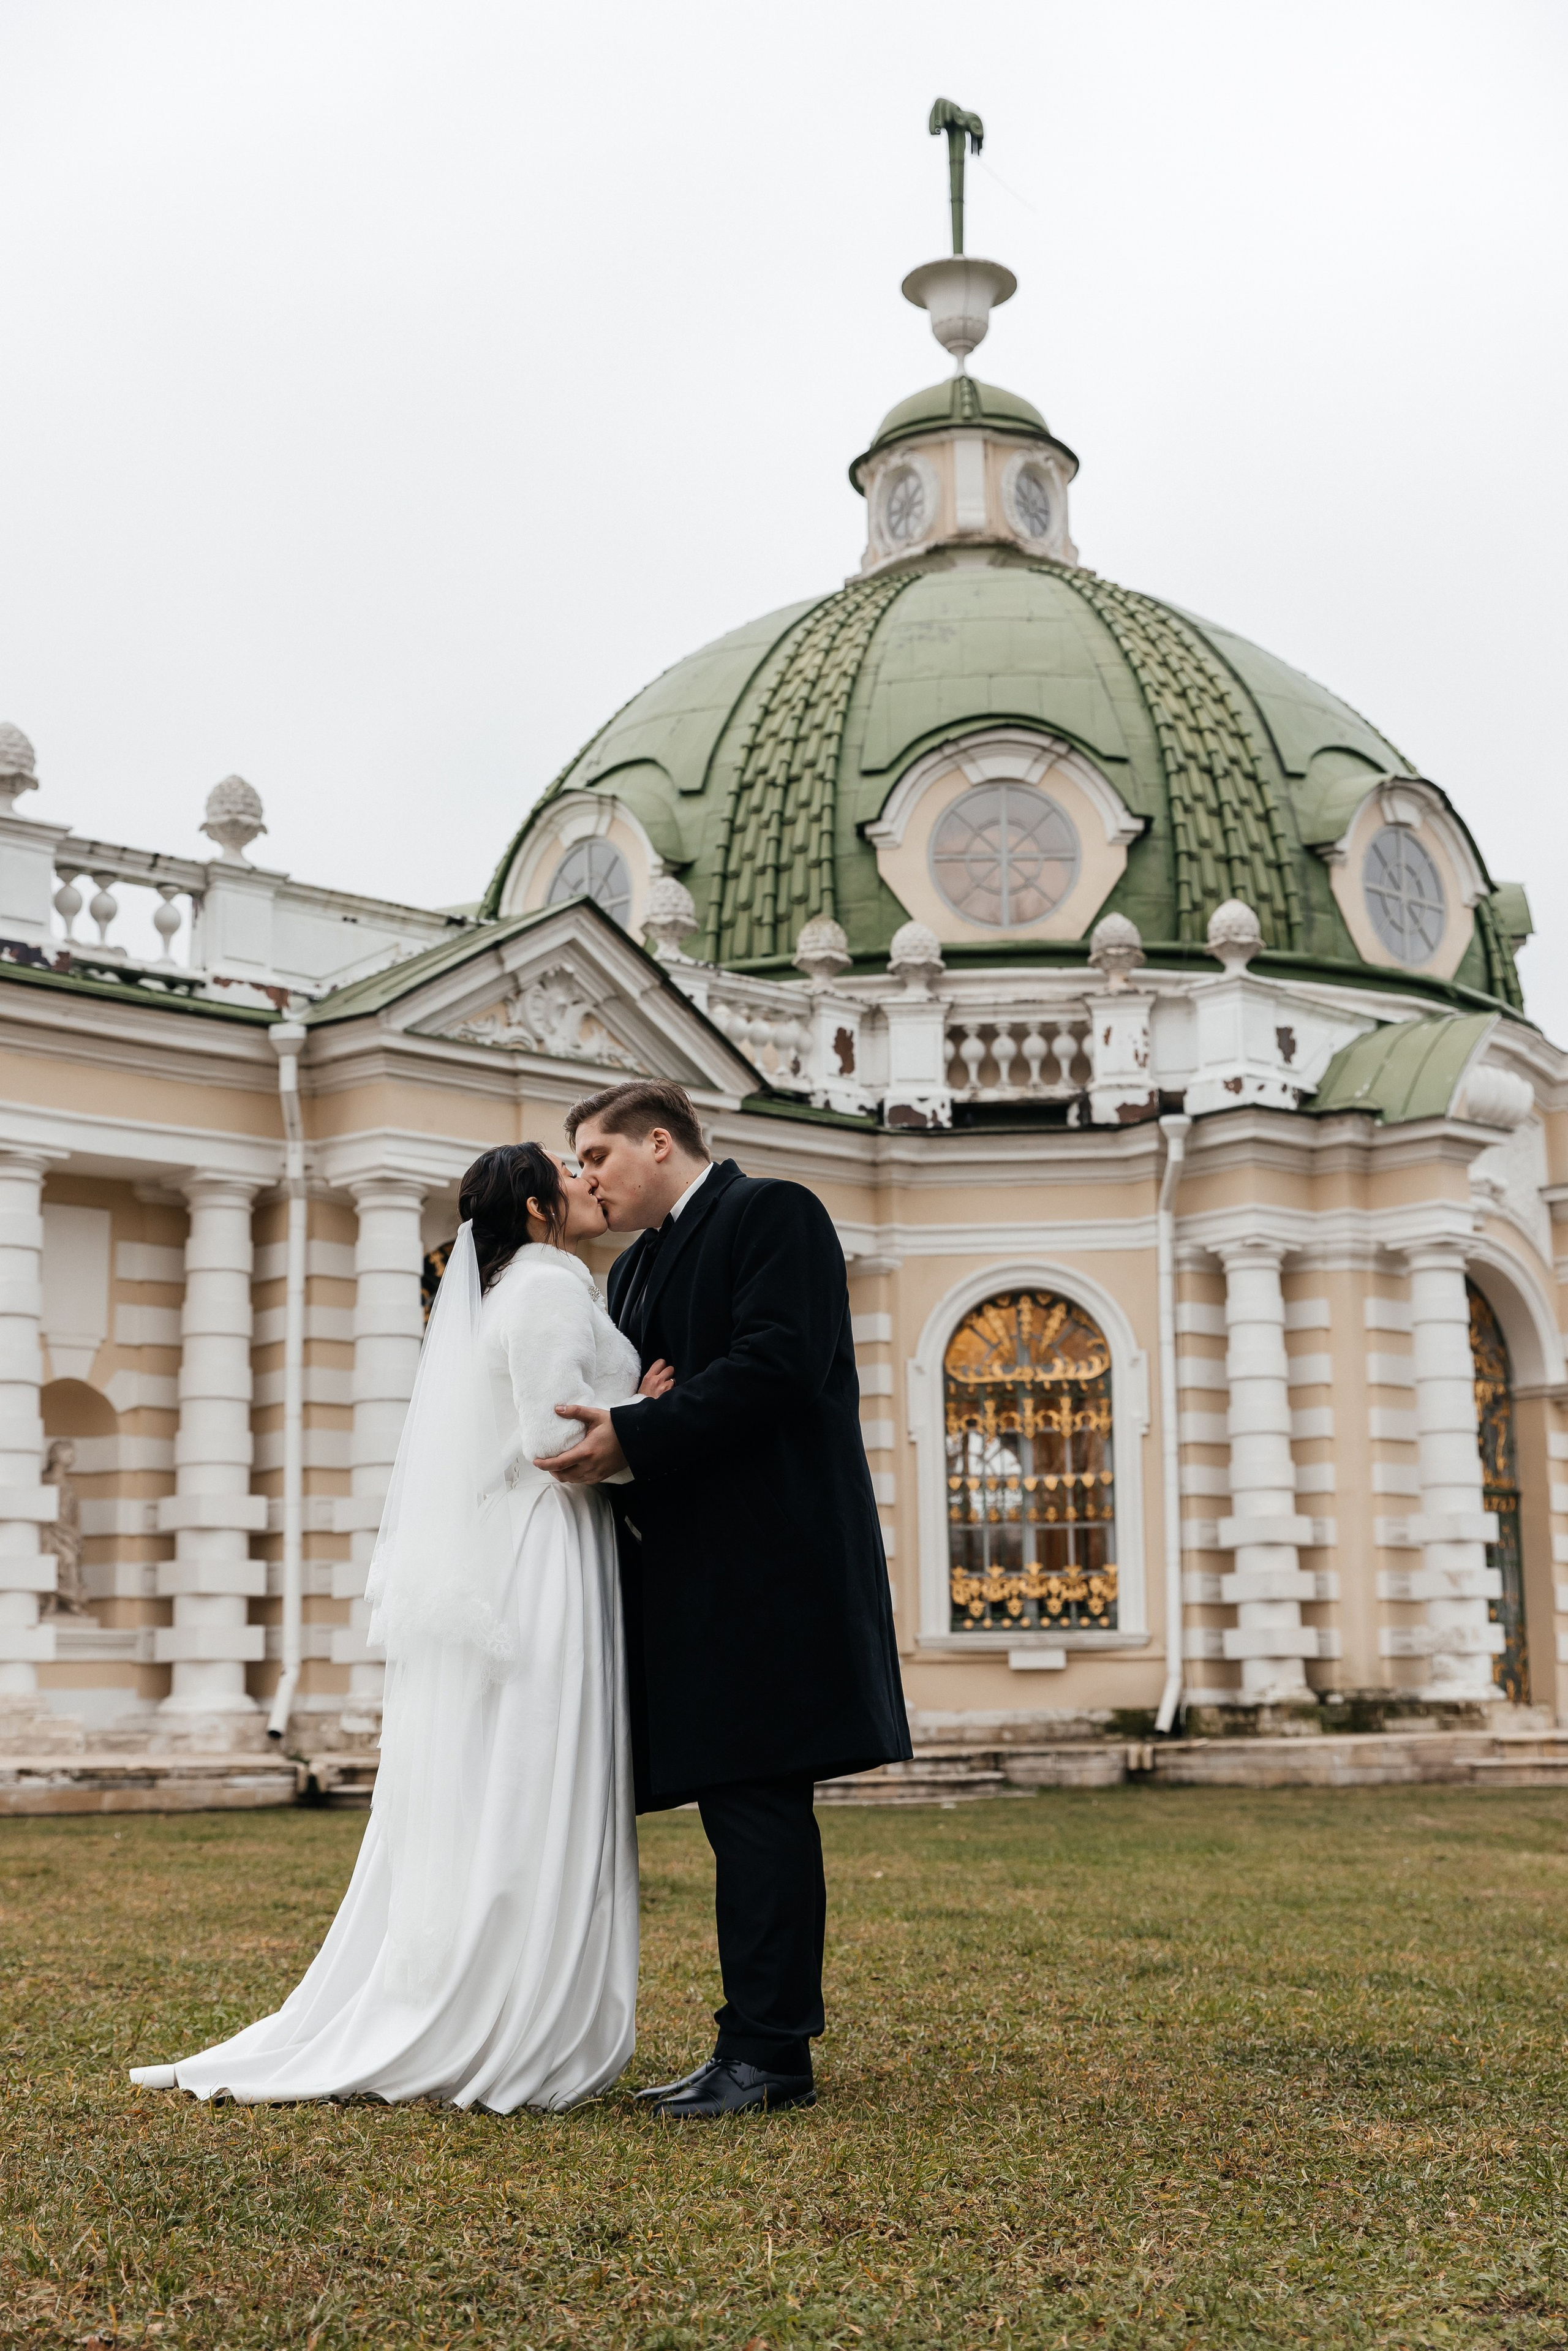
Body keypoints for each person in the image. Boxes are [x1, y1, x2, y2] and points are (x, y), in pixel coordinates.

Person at [129, 1143, 670, 2113]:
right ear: (542, 1210)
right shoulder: (546, 1294)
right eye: (573, 1171)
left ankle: (502, 1980)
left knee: (516, 1764)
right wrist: (653, 1415)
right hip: (551, 1547)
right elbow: (555, 1443)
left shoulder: (522, 1289)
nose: (594, 1180)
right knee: (539, 1761)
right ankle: (511, 2004)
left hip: (540, 1542)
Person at [543, 1077, 910, 2119]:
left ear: (661, 1142)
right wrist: (629, 1424)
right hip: (689, 1574)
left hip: (774, 1566)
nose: (587, 1182)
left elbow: (781, 1365)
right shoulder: (639, 1269)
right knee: (734, 1810)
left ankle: (769, 2054)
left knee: (759, 1806)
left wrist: (638, 1430)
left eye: (598, 1158)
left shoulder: (774, 1211)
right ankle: (748, 2043)